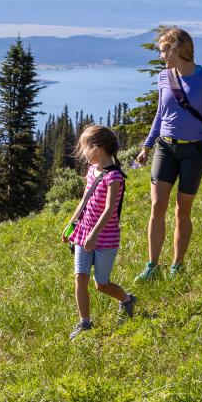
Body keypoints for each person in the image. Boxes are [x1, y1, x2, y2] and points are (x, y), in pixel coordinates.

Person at [133, 27, 202, 280]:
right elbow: (160, 115)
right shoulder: (164, 77)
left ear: (176, 49)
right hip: (166, 147)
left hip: (194, 150)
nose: (161, 55)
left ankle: (177, 266)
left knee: (182, 210)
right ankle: (152, 266)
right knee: (157, 206)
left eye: (164, 50)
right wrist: (147, 146)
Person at [63, 124, 136, 338]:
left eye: (85, 147)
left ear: (98, 148)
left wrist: (94, 234)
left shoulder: (114, 177)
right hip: (83, 234)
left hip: (105, 239)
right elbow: (85, 200)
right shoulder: (92, 171)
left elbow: (109, 209)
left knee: (101, 284)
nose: (84, 153)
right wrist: (71, 223)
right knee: (80, 278)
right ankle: (84, 322)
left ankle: (127, 300)